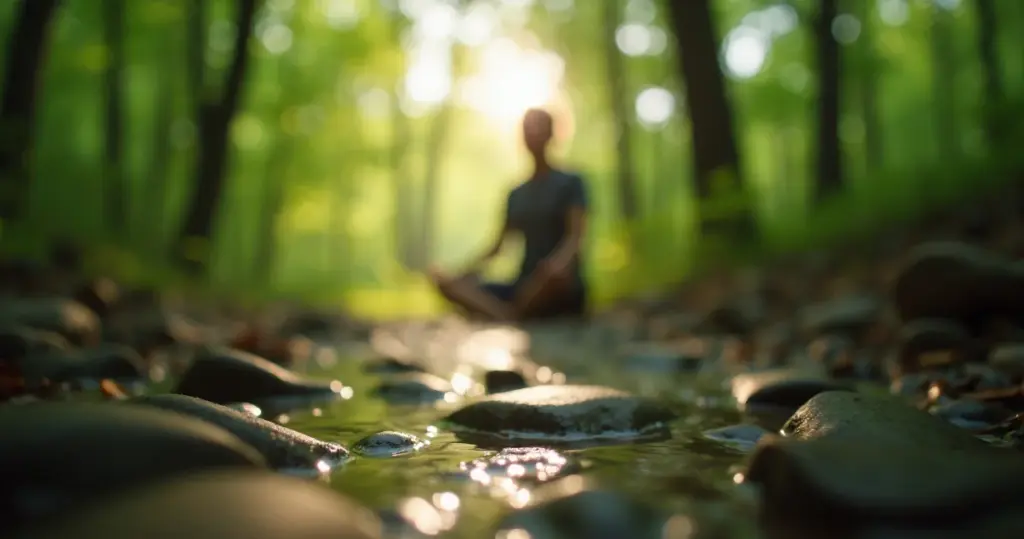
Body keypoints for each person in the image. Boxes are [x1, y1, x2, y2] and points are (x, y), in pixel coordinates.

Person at [430, 108, 588, 323]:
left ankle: (503, 314)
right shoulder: (517, 194)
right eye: (527, 127)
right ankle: (512, 315)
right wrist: (461, 273)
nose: (533, 132)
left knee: (554, 277)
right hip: (523, 285)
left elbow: (575, 237)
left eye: (539, 125)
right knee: (444, 280)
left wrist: (557, 264)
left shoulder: (571, 183)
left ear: (551, 133)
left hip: (557, 282)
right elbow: (497, 248)